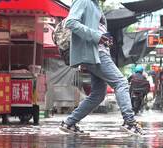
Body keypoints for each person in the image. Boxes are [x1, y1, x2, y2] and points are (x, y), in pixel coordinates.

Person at [59, 0, 145, 136]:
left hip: (97, 54)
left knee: (98, 94)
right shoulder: (83, 1)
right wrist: (97, 37)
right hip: (96, 53)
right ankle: (129, 122)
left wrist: (103, 39)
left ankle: (69, 122)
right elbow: (71, 22)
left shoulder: (95, 5)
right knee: (121, 82)